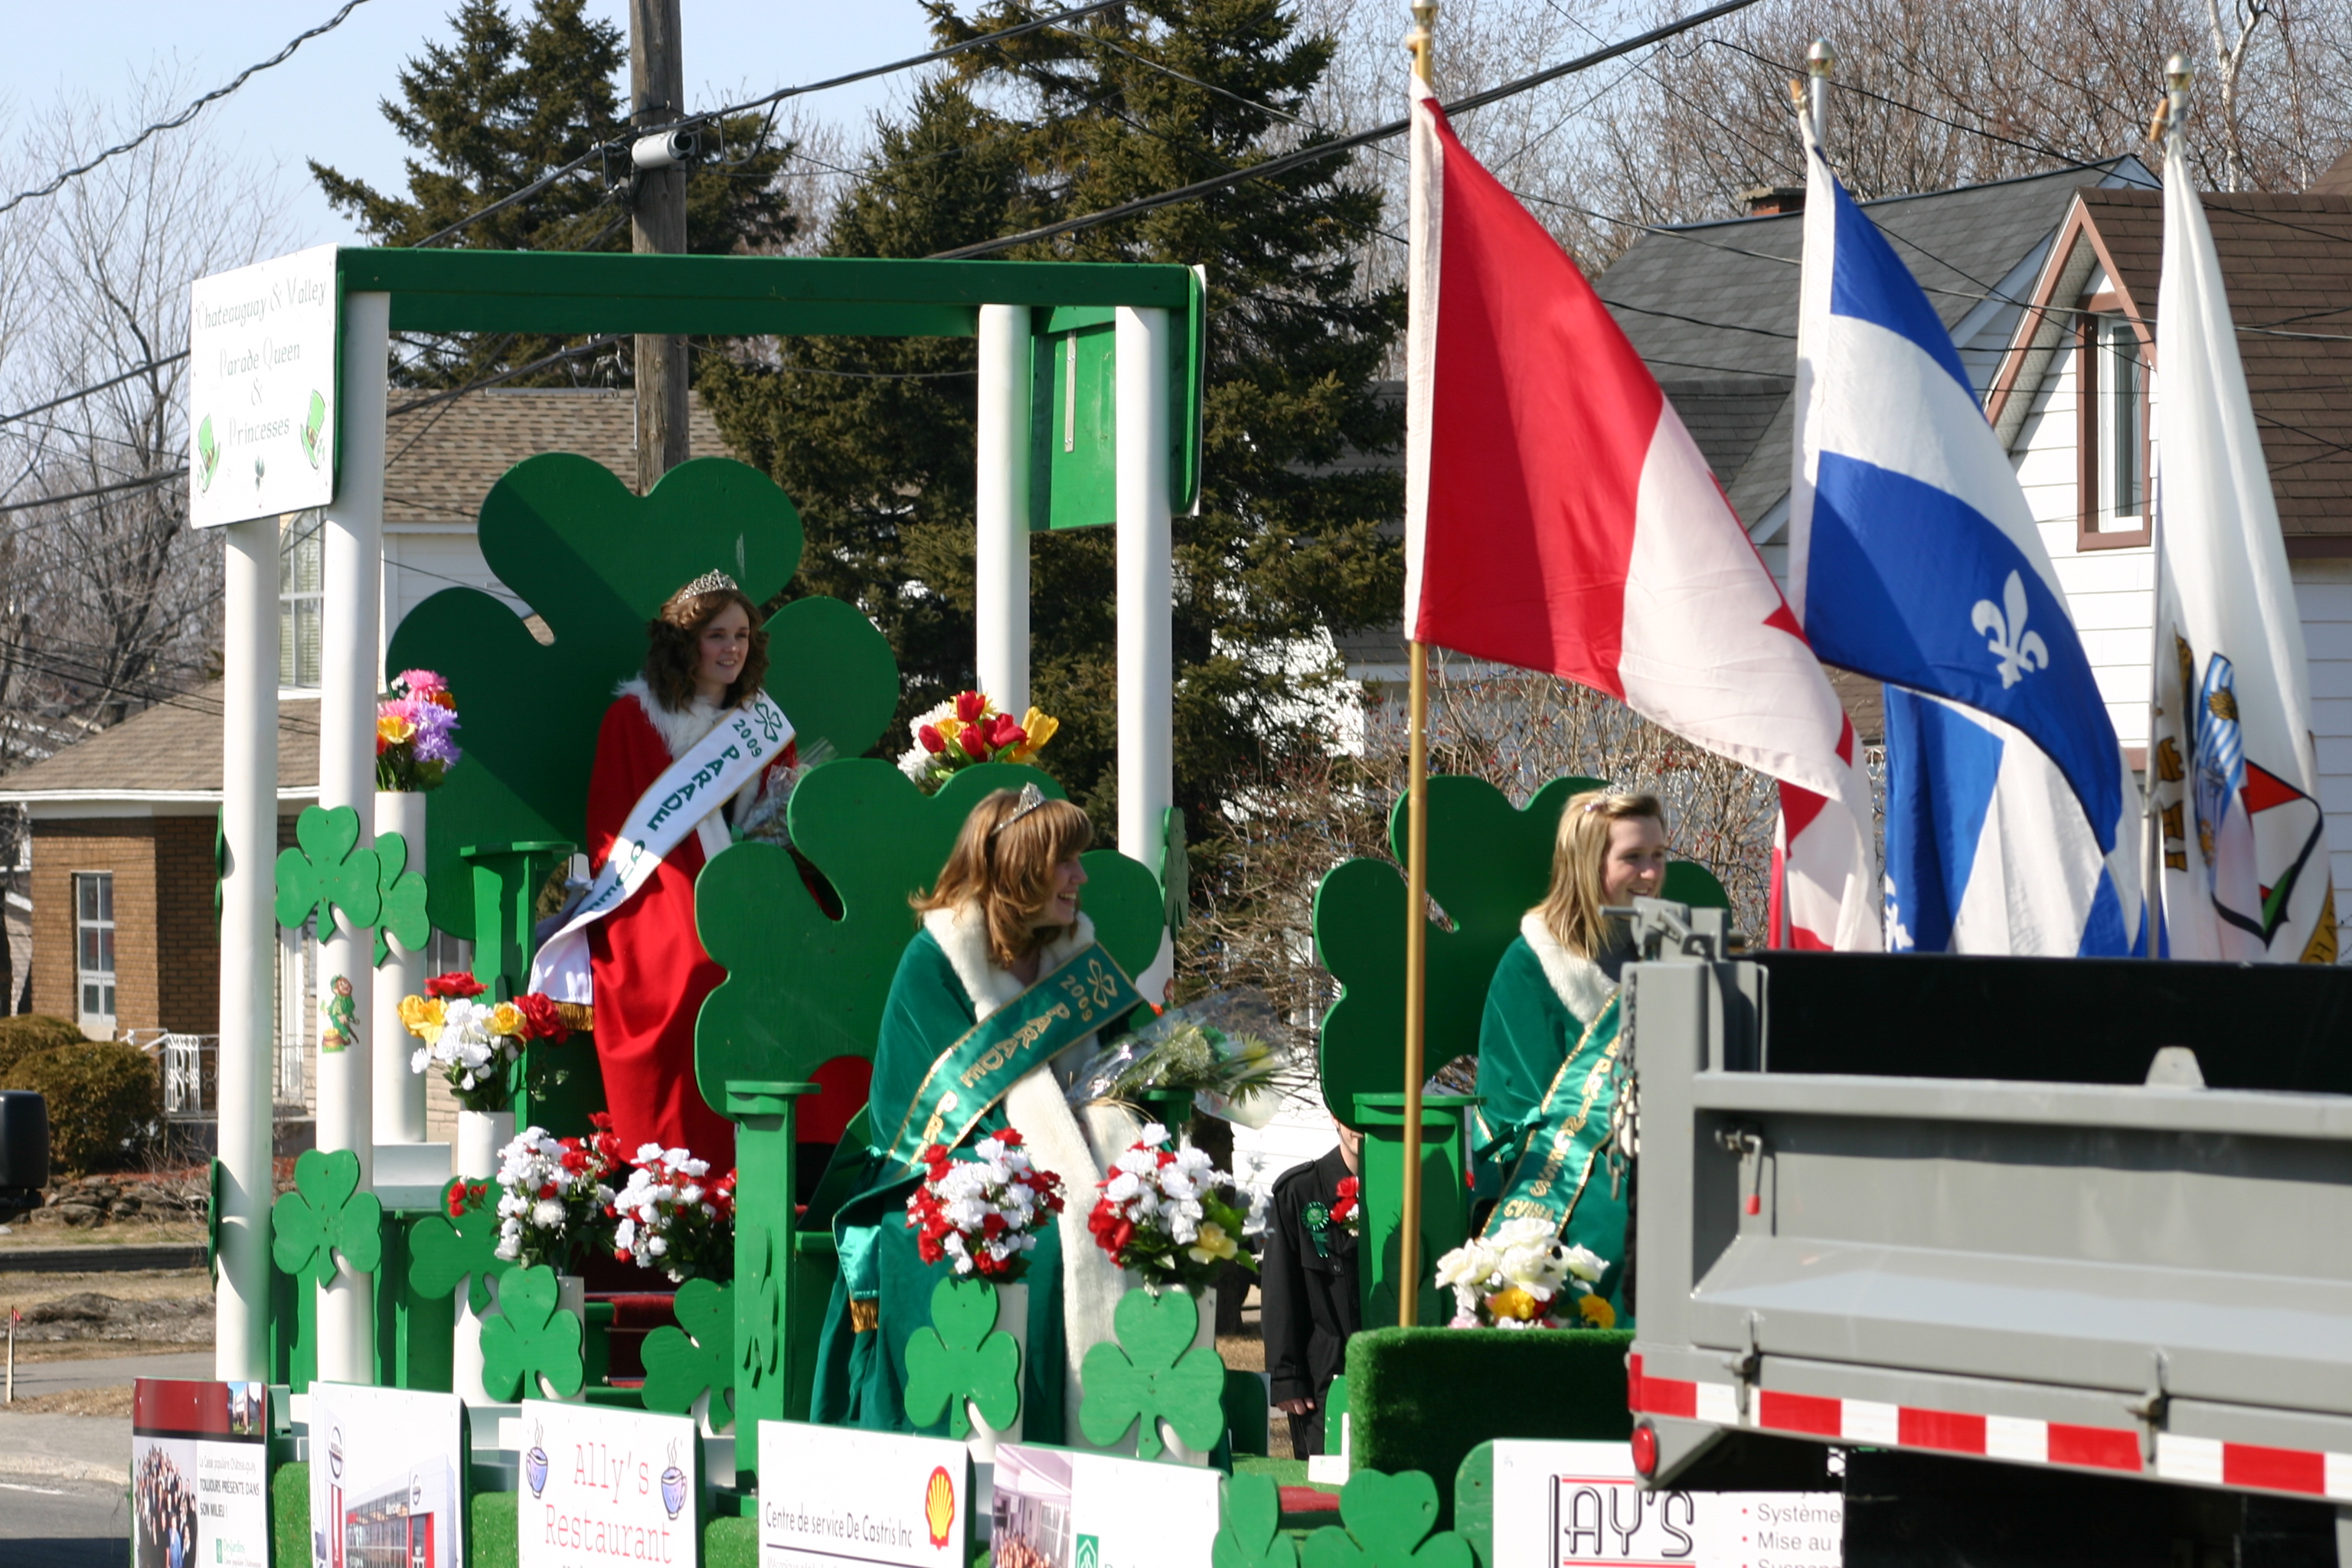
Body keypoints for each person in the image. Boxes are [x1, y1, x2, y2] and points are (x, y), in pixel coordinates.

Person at [810, 786, 1146, 1442]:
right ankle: (1028, 1443)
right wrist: (1061, 1171)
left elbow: (1124, 1067)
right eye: (1065, 862)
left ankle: (1138, 1444)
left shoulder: (1074, 958)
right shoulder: (934, 962)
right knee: (1046, 1238)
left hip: (1055, 1162)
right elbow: (931, 1119)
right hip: (935, 1176)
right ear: (1019, 867)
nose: (1080, 876)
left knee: (1152, 1222)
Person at [537, 570, 799, 1170]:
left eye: (741, 635)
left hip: (754, 887)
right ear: (685, 644)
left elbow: (780, 819)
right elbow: (615, 836)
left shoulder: (762, 726)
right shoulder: (633, 720)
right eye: (716, 635)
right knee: (696, 967)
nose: (732, 648)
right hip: (653, 895)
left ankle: (779, 1163)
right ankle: (677, 1171)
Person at [1472, 789, 1667, 1321]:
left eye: (1658, 855)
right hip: (1564, 1171)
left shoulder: (1668, 952)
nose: (1651, 874)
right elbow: (1518, 1104)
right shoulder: (1530, 965)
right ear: (1586, 863)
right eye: (1632, 858)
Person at [1261, 1115, 1363, 1458]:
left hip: (1397, 1376)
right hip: (1323, 1383)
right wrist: (1287, 1376)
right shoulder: (1299, 1192)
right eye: (1350, 1113)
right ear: (1335, 1116)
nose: (1360, 1125)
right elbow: (1280, 1290)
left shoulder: (1418, 1190)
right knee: (1325, 1495)